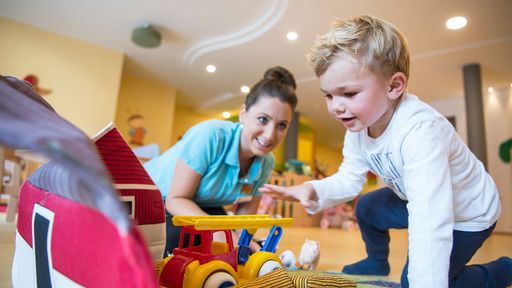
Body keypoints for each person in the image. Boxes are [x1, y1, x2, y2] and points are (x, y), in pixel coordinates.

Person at [260, 15, 512, 288]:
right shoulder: (357, 129)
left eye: (349, 93)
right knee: (368, 206)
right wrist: (314, 190)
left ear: (394, 86)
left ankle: (504, 269)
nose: (335, 107)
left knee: (421, 279)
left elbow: (430, 217)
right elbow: (350, 179)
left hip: (468, 213)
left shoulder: (421, 131)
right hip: (417, 199)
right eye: (329, 95)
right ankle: (376, 260)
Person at [144, 66, 298, 257]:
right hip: (155, 199)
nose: (270, 135)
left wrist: (247, 246)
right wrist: (218, 232)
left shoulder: (267, 161)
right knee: (183, 241)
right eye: (262, 119)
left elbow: (244, 222)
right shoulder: (211, 135)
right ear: (243, 113)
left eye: (281, 125)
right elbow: (176, 199)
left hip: (200, 204)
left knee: (236, 246)